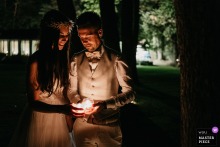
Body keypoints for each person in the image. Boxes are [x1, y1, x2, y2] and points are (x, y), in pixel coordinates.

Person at [8, 9, 84, 147]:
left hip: (61, 121)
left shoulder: (64, 60)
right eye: (61, 35)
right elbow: (33, 102)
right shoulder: (36, 61)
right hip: (41, 119)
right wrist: (61, 109)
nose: (65, 39)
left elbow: (65, 94)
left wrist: (69, 122)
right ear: (49, 35)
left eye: (67, 36)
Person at [68, 11, 136, 147]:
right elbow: (71, 90)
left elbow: (130, 93)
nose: (84, 41)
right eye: (81, 37)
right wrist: (80, 102)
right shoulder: (75, 60)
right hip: (82, 128)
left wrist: (105, 105)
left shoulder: (117, 59)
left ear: (100, 32)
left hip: (109, 127)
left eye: (88, 36)